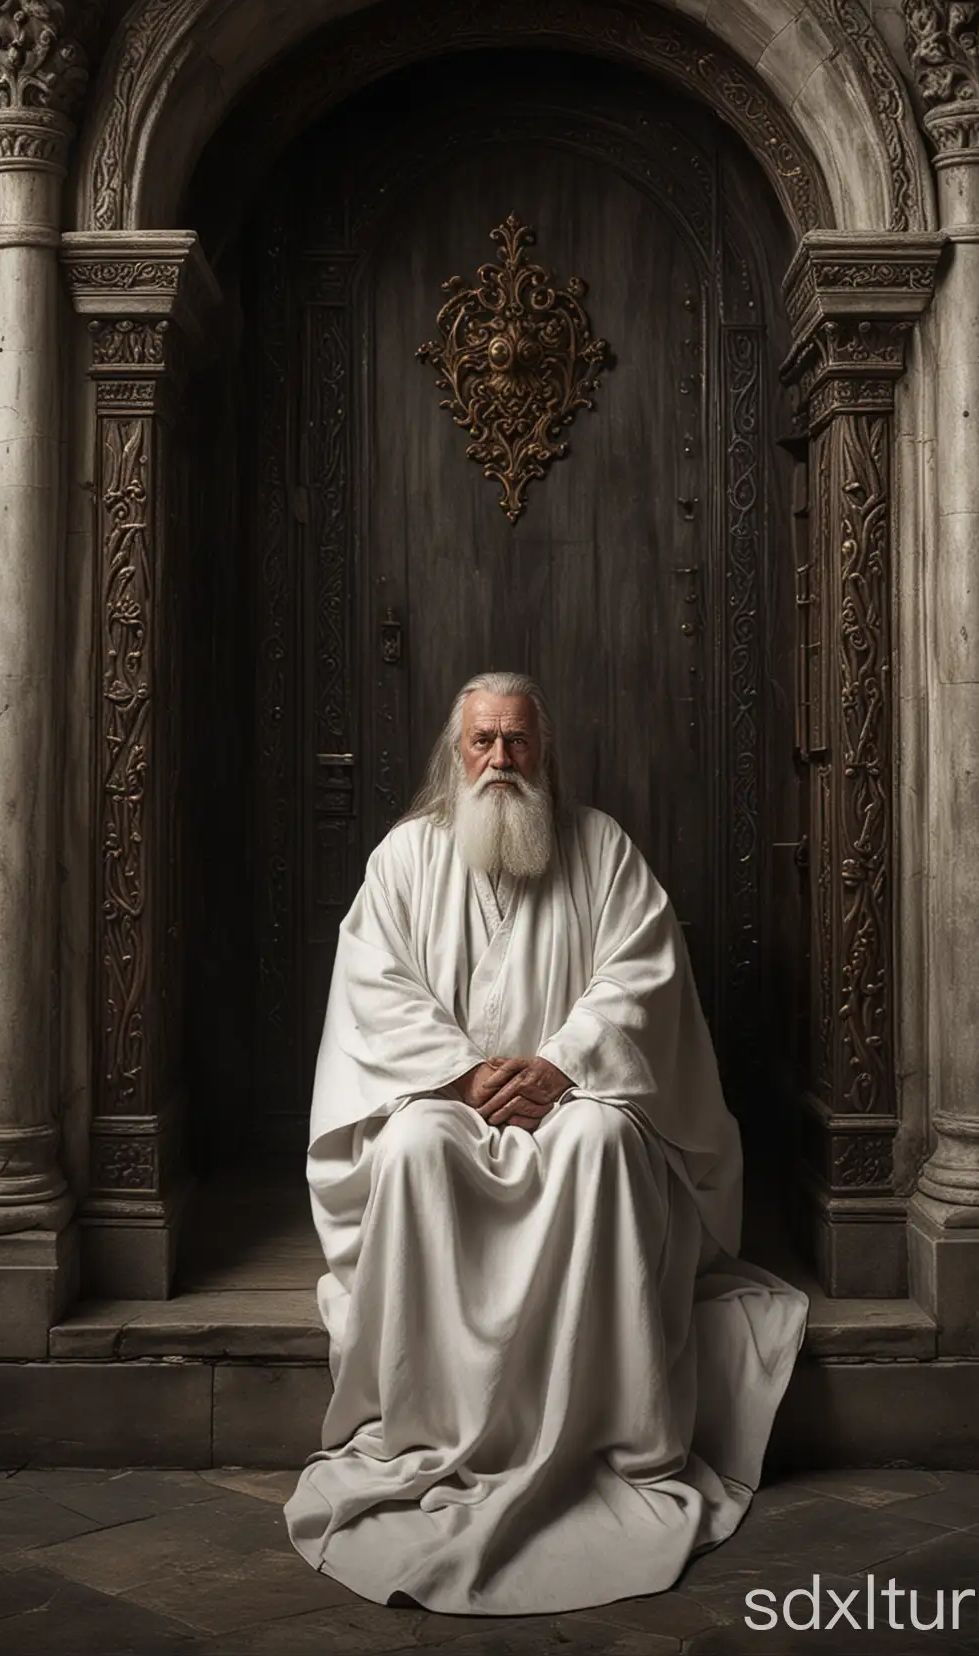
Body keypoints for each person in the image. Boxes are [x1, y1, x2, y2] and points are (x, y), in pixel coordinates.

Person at [285, 671, 808, 1615]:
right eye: (482, 742)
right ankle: (435, 1419)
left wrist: (565, 1064)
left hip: (572, 1099)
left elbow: (641, 977)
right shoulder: (404, 858)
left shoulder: (602, 850)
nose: (499, 762)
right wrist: (461, 1073)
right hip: (450, 1099)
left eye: (517, 743)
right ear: (456, 753)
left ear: (544, 751)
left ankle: (606, 1426)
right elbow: (376, 988)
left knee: (604, 1142)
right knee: (411, 1151)